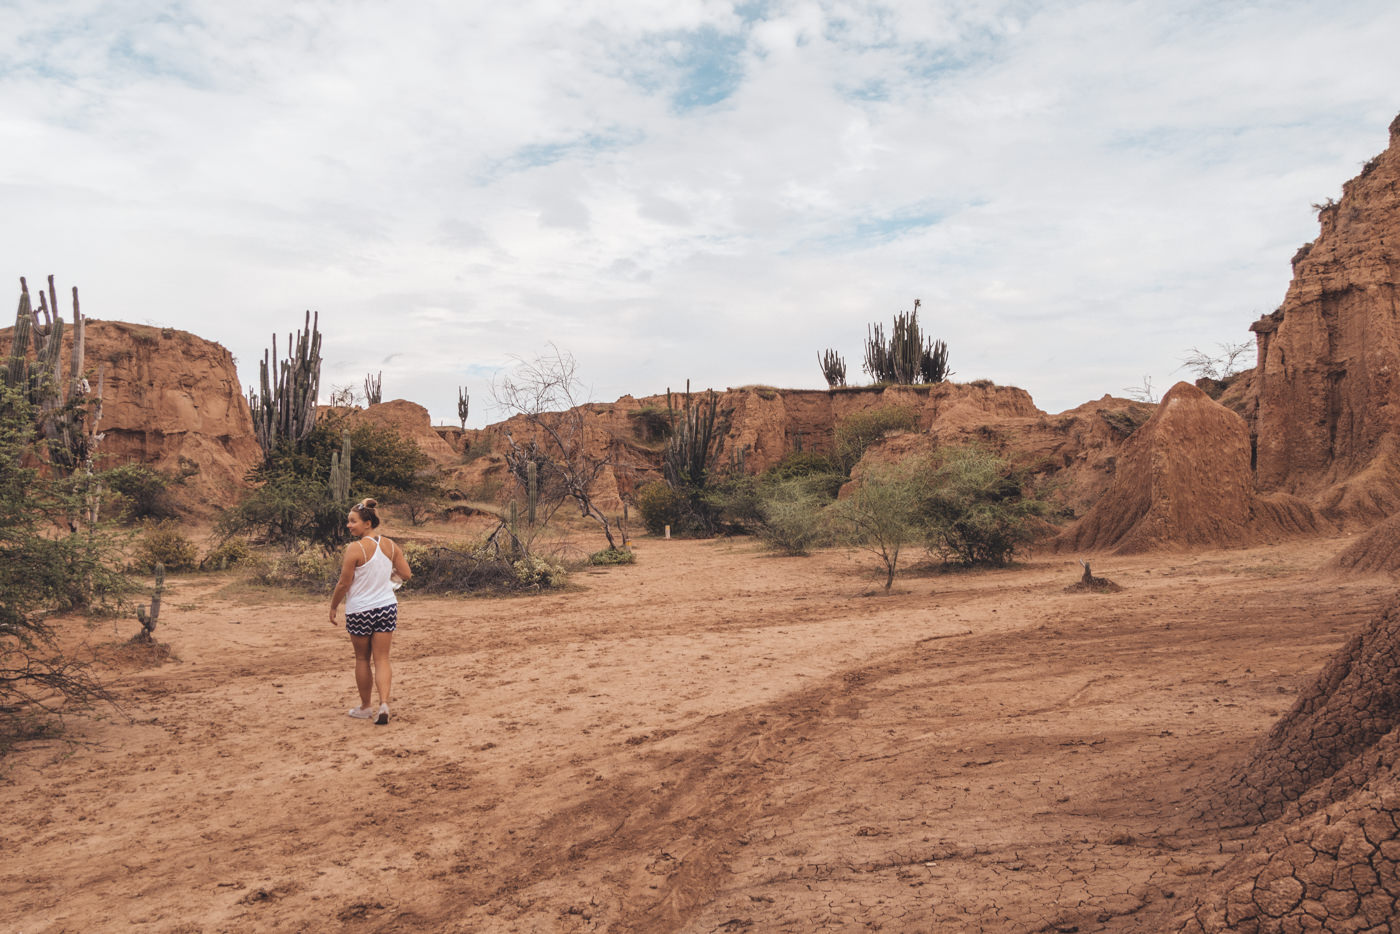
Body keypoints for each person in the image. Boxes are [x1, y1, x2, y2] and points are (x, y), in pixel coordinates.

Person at [329, 498, 412, 725]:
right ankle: (384, 703)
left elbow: (344, 584)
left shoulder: (355, 549)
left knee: (362, 659)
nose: (349, 525)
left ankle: (366, 707)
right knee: (383, 658)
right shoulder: (391, 546)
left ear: (367, 523)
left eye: (352, 521)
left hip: (360, 611)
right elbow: (406, 574)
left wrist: (334, 606)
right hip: (386, 607)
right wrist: (388, 583)